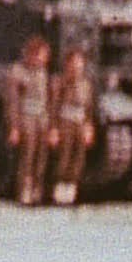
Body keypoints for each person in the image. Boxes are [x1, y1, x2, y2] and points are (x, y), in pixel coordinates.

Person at [4, 35, 54, 206]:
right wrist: (14, 127)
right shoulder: (18, 71)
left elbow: (48, 100)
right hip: (26, 118)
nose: (45, 59)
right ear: (32, 54)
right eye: (42, 55)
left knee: (41, 157)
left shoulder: (43, 73)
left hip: (42, 118)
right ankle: (24, 191)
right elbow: (13, 101)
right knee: (28, 155)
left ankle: (37, 191)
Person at [49, 47, 97, 205]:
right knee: (64, 157)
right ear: (68, 64)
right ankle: (59, 190)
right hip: (65, 123)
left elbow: (89, 109)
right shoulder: (60, 83)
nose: (77, 67)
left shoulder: (86, 85)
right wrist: (54, 129)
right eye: (75, 63)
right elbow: (54, 107)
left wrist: (88, 128)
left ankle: (71, 190)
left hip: (80, 123)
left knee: (78, 158)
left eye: (80, 63)